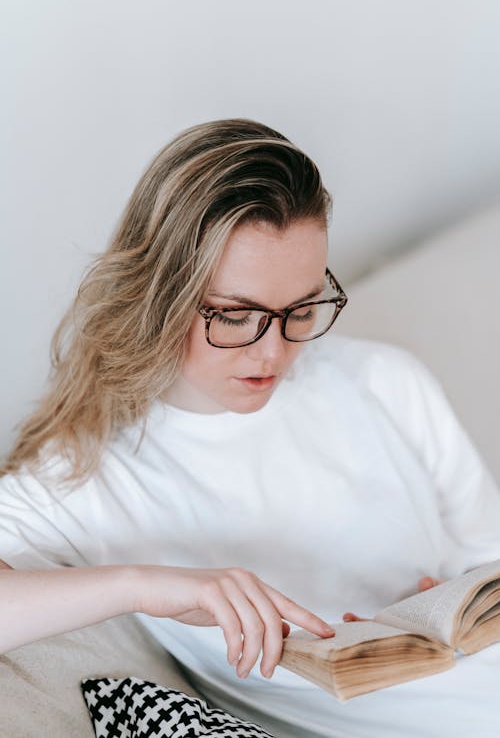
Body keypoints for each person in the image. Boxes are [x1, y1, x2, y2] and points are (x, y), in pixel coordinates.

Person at [1, 118, 500, 738]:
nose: (273, 354)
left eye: (302, 309)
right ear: (161, 297)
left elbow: (489, 553)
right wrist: (146, 585)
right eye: (237, 317)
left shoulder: (381, 380)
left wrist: (452, 600)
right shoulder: (89, 477)